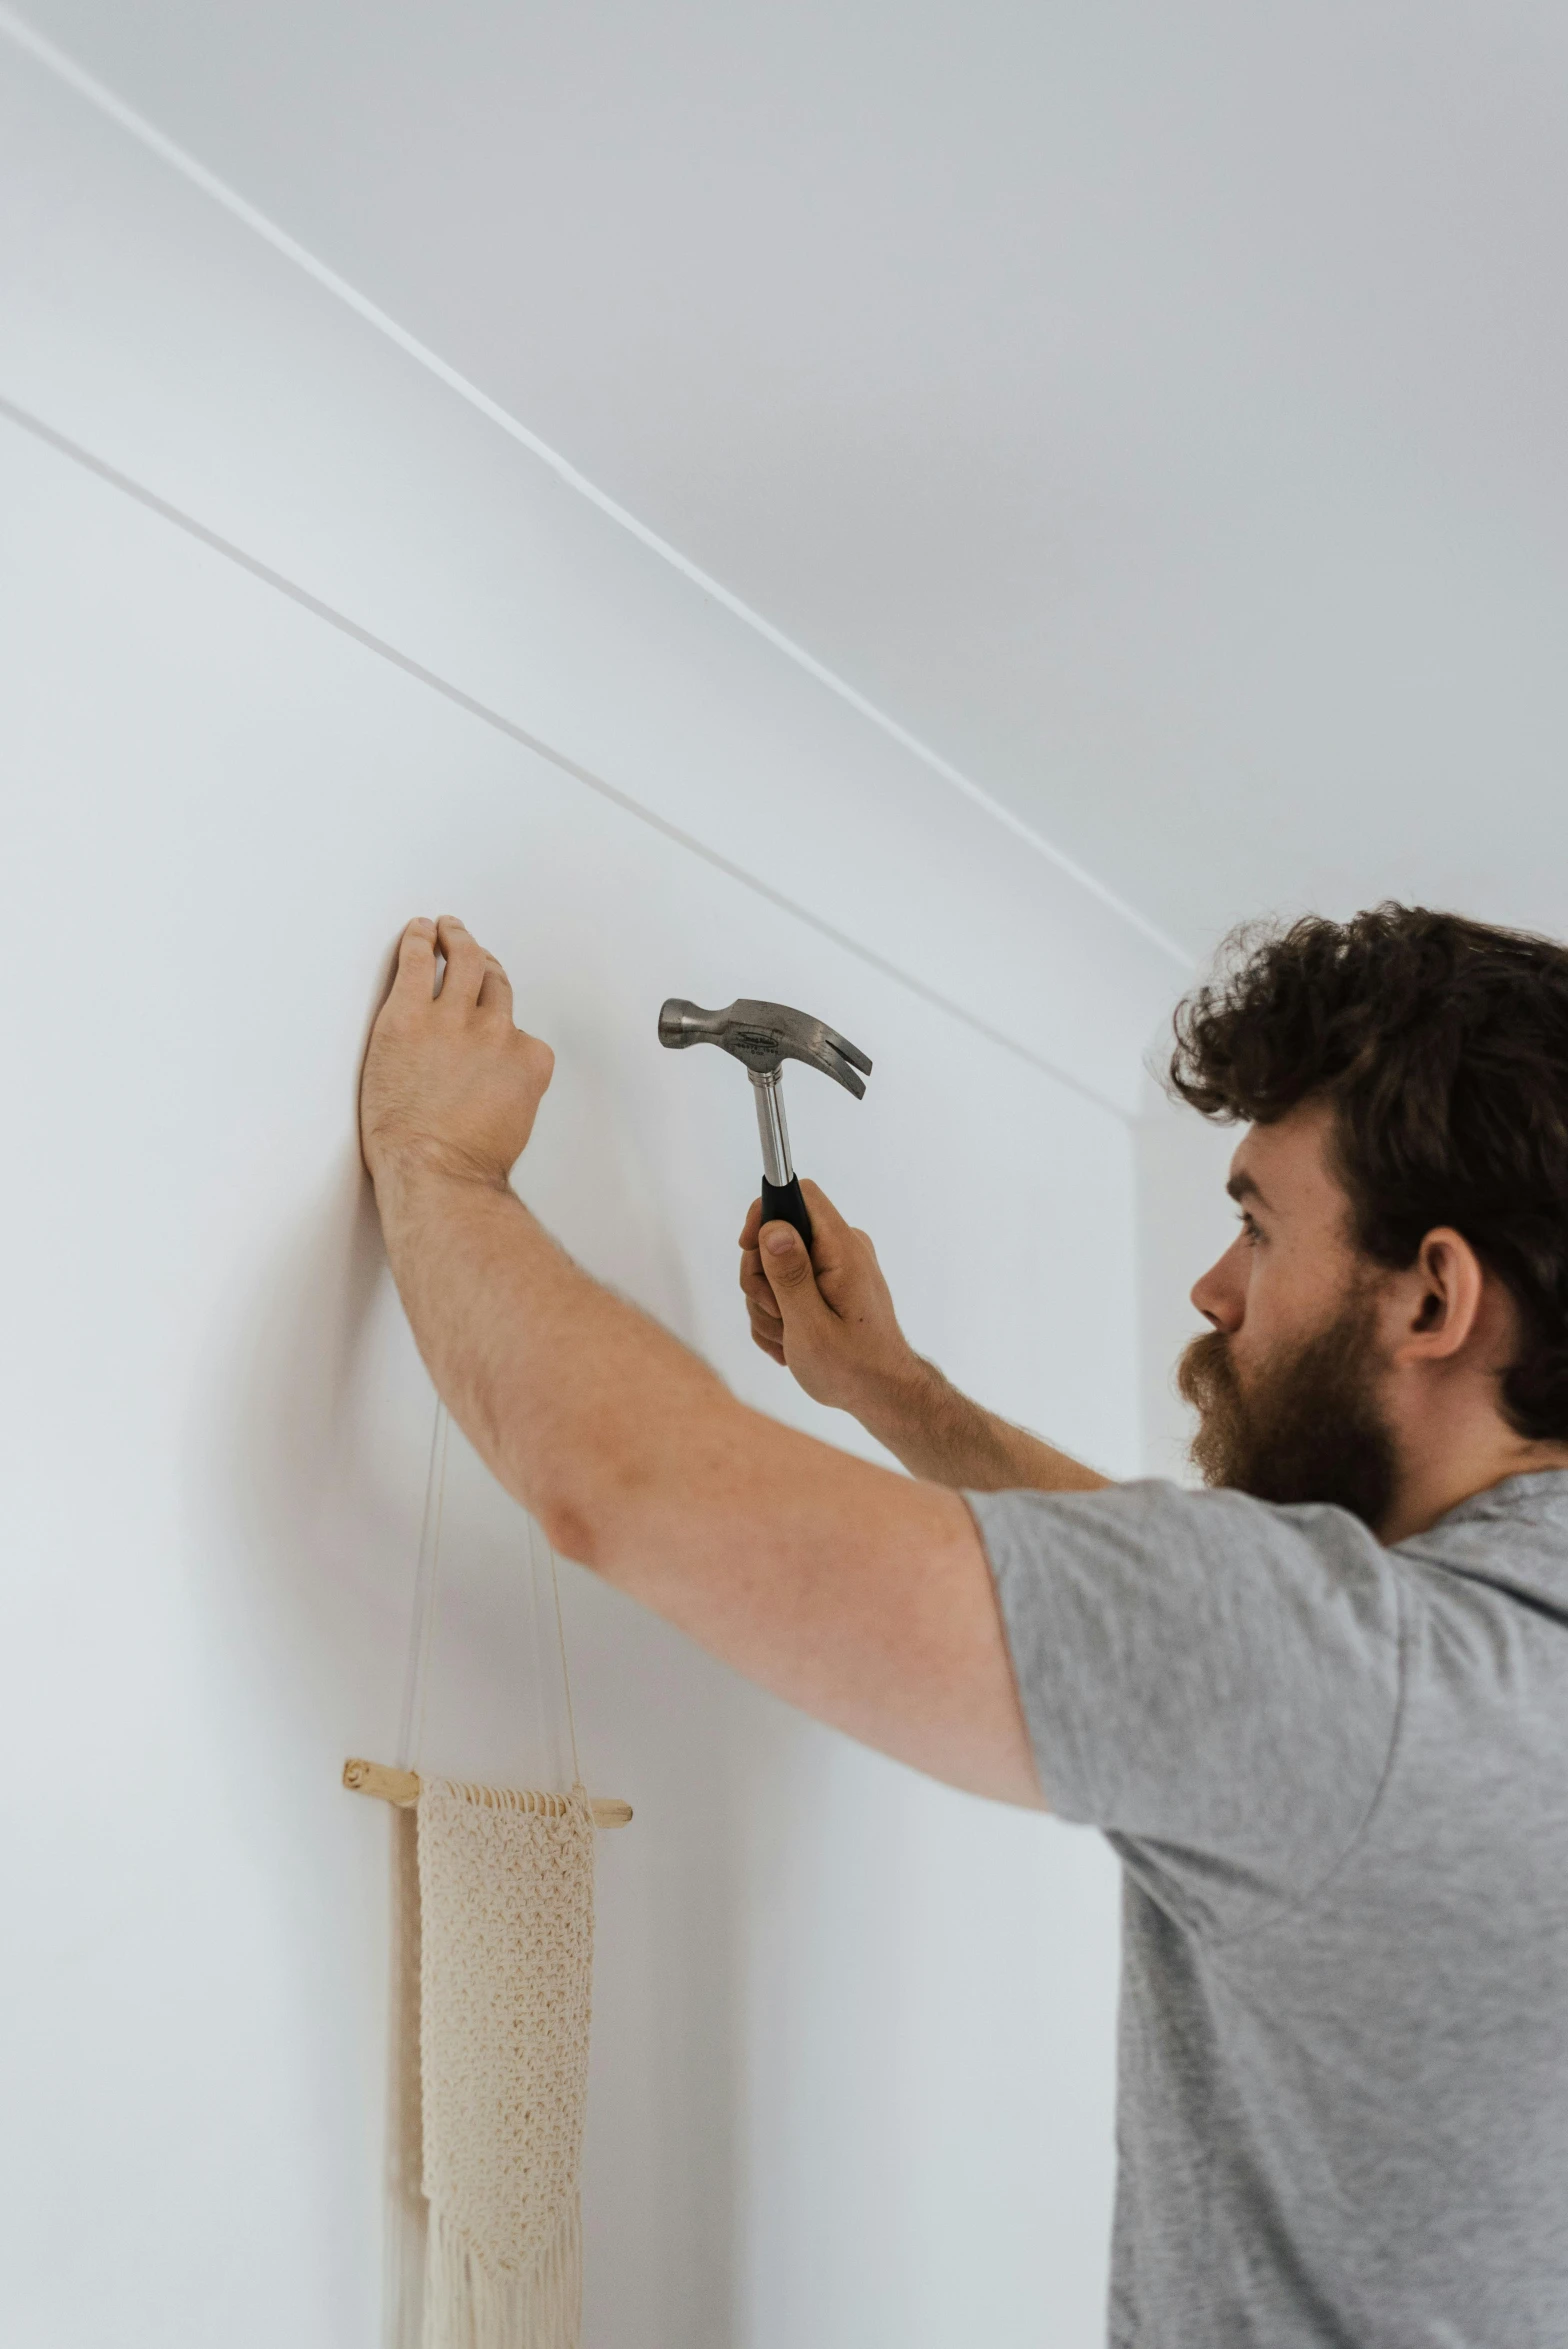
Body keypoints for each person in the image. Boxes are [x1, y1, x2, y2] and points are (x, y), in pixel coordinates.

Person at [361, 901, 1568, 2349]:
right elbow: (1204, 1628)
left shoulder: (1356, 1677)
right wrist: (900, 1398)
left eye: (1256, 1224)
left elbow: (630, 1491)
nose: (1214, 1286)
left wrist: (439, 1169)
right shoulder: (1466, 1656)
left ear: (1435, 1294)